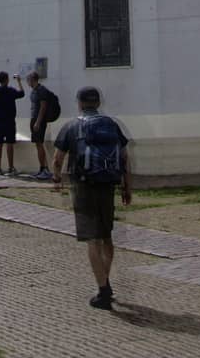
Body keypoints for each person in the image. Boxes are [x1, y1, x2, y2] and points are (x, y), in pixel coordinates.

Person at [52, 86, 132, 311]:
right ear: (98, 103)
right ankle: (104, 283)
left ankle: (103, 290)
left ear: (79, 103)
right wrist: (127, 187)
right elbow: (124, 158)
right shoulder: (111, 125)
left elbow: (58, 158)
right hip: (108, 186)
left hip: (84, 186)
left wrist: (57, 179)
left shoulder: (71, 126)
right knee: (106, 237)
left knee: (92, 239)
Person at [0, 71, 25, 175]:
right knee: (9, 144)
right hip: (9, 121)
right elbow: (22, 93)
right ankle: (10, 167)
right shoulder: (10, 91)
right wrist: (19, 81)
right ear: (7, 80)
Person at [26, 71, 57, 179]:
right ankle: (43, 168)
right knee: (38, 144)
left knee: (39, 144)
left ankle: (44, 169)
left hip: (38, 120)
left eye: (28, 79)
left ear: (32, 79)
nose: (27, 82)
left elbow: (43, 107)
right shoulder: (34, 91)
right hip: (34, 119)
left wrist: (38, 122)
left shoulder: (41, 90)